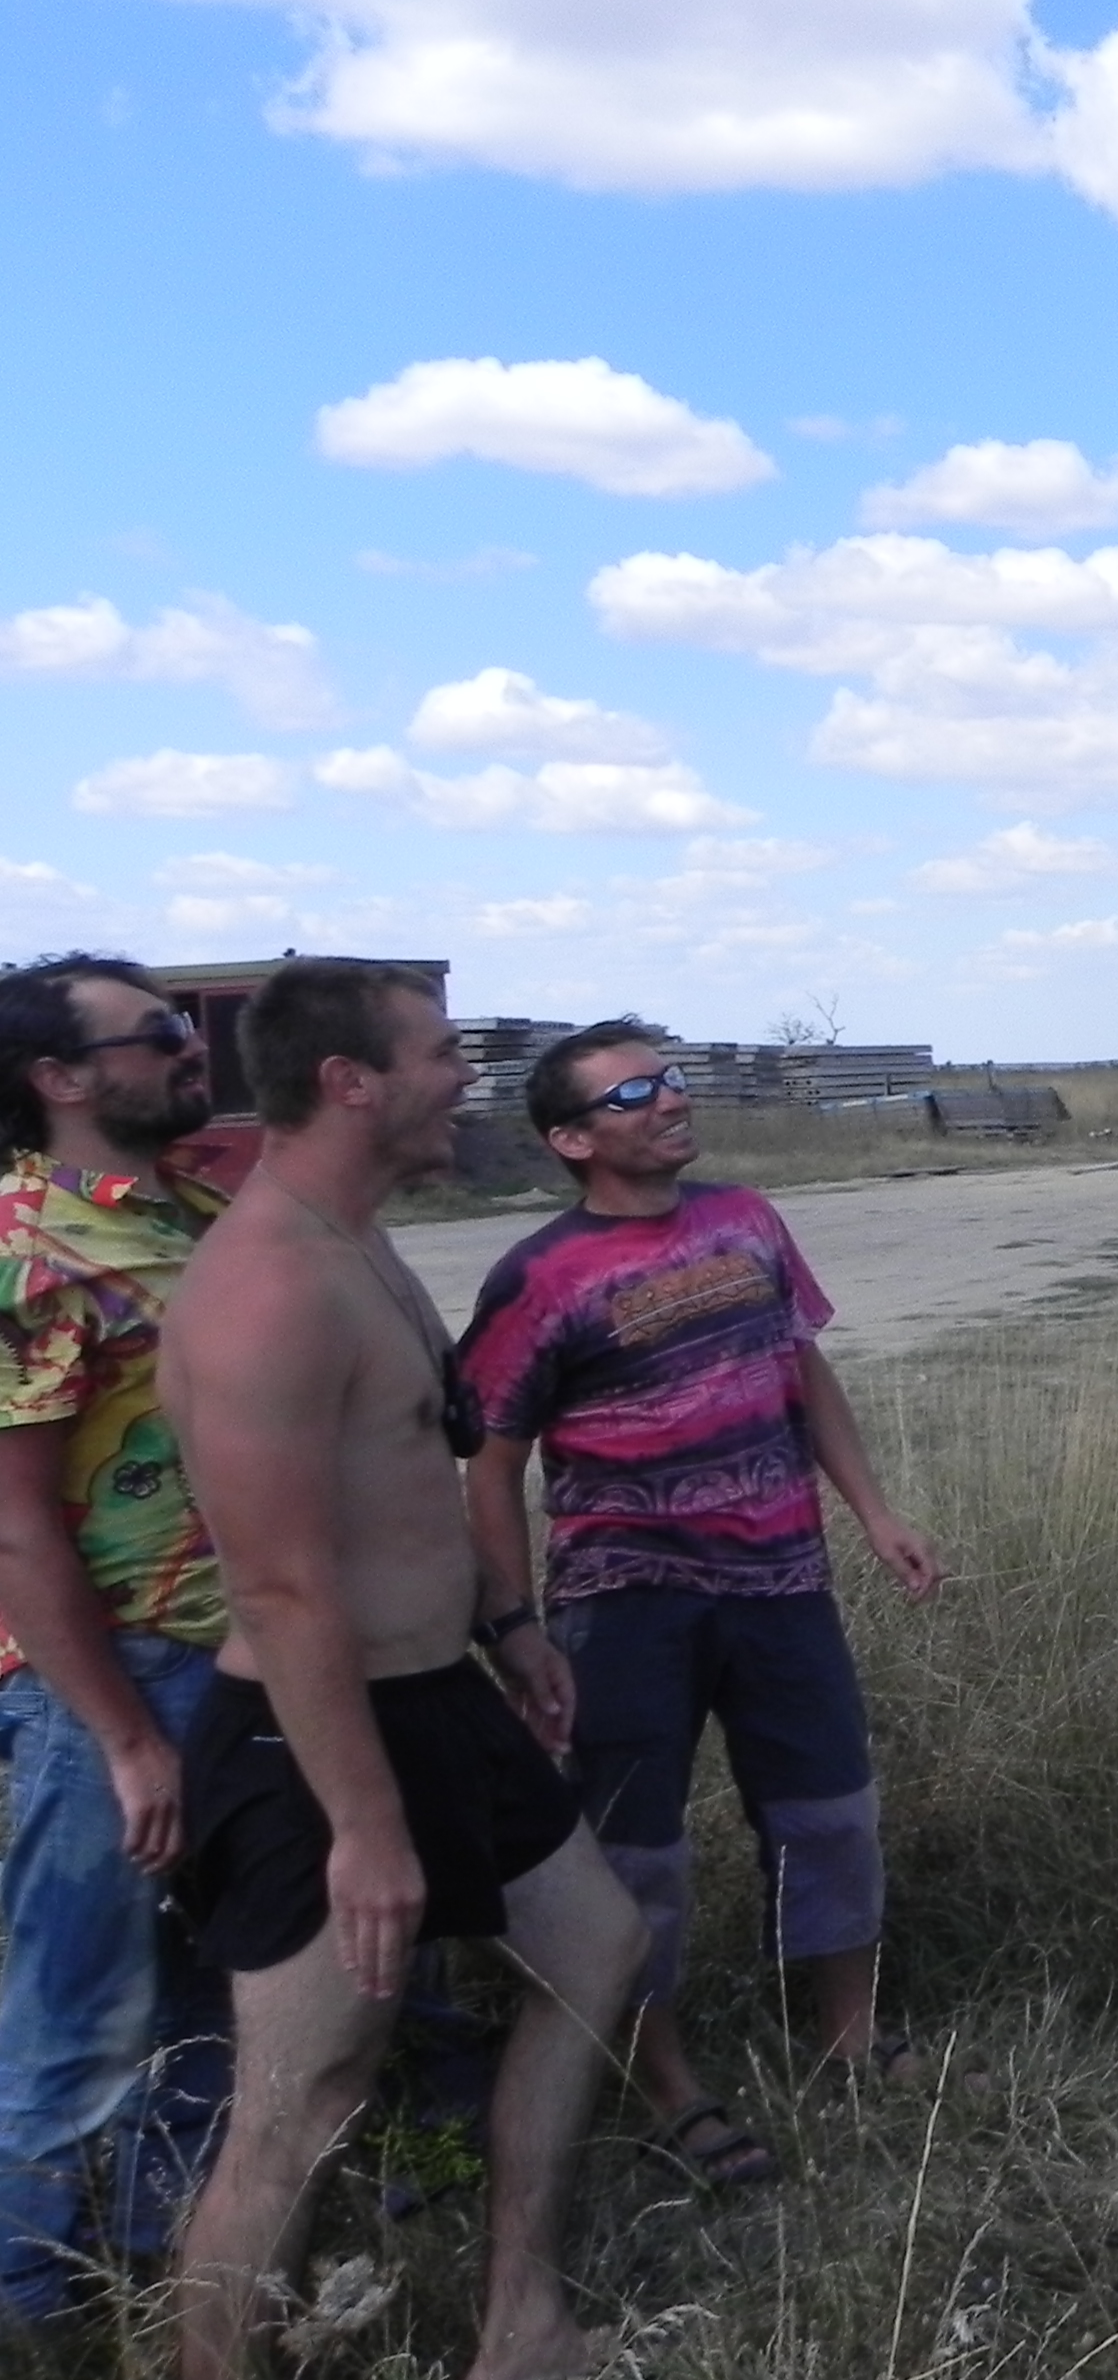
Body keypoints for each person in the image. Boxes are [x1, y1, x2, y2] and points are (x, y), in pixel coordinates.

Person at [158, 960, 644, 2380]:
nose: (463, 1077)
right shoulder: (266, 1287)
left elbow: (412, 1484)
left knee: (595, 1950)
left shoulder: (358, 1241)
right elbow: (281, 1586)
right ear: (349, 1082)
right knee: (302, 2105)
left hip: (439, 1695)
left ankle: (522, 2323)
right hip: (312, 1741)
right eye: (439, 1053)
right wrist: (365, 1832)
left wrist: (509, 1624)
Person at [454, 1021, 940, 2196]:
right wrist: (514, 1629)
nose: (671, 1100)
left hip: (783, 1584)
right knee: (639, 1851)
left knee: (831, 1813)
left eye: (669, 1080)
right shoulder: (536, 1277)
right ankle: (667, 2081)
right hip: (626, 1607)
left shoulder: (747, 1220)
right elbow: (490, 1464)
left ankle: (847, 2035)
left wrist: (873, 1511)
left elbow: (801, 1367)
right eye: (634, 1093)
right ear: (570, 1139)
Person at [0, 957, 231, 2325]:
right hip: (115, 1679)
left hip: (237, 1661)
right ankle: (30, 2297)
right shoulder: (27, 1247)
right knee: (78, 2001)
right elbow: (16, 1528)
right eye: (156, 1034)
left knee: (207, 1986)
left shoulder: (195, 1208)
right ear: (59, 1078)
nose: (188, 1048)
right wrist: (125, 1737)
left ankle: (163, 2259)